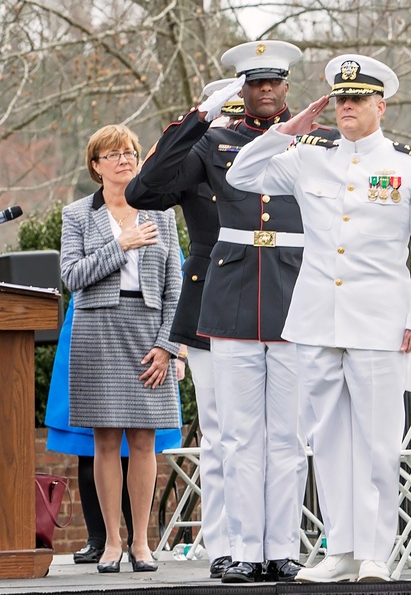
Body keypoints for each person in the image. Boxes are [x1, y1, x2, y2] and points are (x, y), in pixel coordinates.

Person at [226, 54, 411, 583]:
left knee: (376, 440)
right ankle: (341, 549)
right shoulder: (308, 155)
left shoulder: (410, 166)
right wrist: (286, 130)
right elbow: (240, 175)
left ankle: (375, 551)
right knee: (325, 439)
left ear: (380, 106)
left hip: (379, 320)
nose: (346, 107)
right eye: (341, 99)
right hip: (317, 318)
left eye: (357, 99)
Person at [127, 41, 337, 584]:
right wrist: (196, 119)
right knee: (237, 437)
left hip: (296, 296)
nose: (265, 91)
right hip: (231, 296)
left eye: (274, 82)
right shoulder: (212, 141)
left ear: (287, 86)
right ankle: (241, 548)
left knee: (289, 439)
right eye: (253, 83)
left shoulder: (321, 141)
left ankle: (282, 549)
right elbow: (144, 190)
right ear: (240, 89)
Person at [123, 79, 245, 578]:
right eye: (225, 121)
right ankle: (222, 543)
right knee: (217, 433)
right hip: (209, 302)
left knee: (271, 436)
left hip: (271, 303)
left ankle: (265, 541)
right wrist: (196, 117)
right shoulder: (196, 159)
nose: (231, 131)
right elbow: (146, 187)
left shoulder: (280, 154)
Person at [59, 124, 182, 574]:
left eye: (129, 151)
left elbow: (175, 289)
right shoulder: (77, 214)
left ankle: (141, 542)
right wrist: (120, 244)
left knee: (145, 439)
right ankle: (111, 541)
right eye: (112, 154)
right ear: (96, 165)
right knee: (105, 439)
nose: (124, 159)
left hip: (148, 329)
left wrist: (169, 346)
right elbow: (72, 276)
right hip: (96, 329)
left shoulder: (161, 213)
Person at [45, 296, 183, 564]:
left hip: (143, 334)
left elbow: (174, 290)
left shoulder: (159, 249)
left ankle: (137, 541)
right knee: (89, 444)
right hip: (90, 331)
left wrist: (179, 351)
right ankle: (98, 539)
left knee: (141, 443)